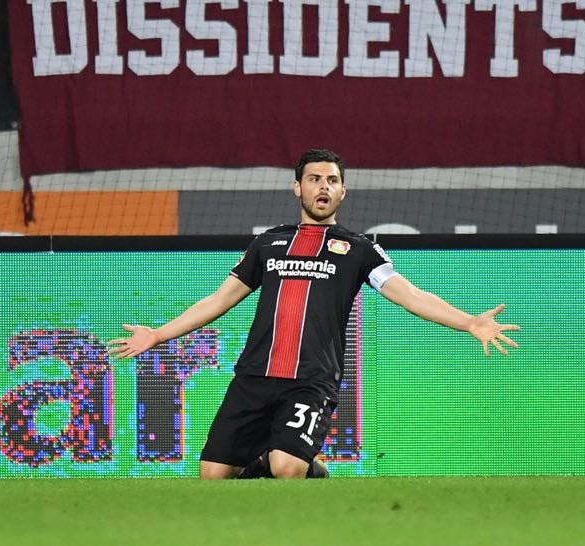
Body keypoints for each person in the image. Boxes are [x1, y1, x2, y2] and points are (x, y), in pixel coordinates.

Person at [108, 148, 519, 480]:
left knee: (287, 469)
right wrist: (159, 335)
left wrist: (469, 322)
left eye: (333, 181)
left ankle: (301, 469)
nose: (324, 187)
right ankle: (271, 462)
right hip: (253, 377)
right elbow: (219, 300)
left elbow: (409, 294)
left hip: (311, 382)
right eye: (314, 179)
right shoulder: (268, 244)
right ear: (297, 188)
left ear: (343, 192)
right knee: (212, 477)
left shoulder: (359, 249)